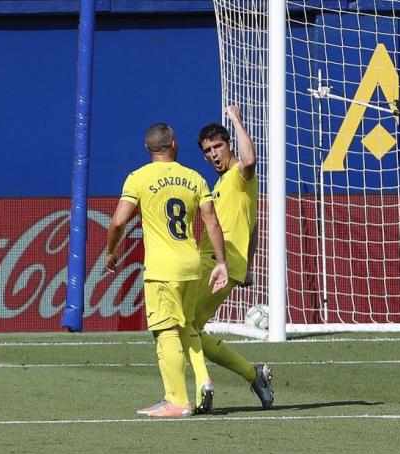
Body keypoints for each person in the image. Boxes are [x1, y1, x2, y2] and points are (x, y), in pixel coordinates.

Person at [106, 122, 228, 418]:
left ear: (148, 149)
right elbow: (211, 221)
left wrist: (111, 251)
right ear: (173, 142)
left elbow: (119, 220)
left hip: (162, 269)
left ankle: (177, 400)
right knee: (186, 326)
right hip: (191, 264)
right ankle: (203, 381)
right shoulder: (194, 177)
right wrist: (221, 262)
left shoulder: (139, 178)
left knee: (165, 331)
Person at [190, 105, 274, 412]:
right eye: (207, 150)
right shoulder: (221, 184)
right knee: (192, 329)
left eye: (218, 146)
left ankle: (203, 388)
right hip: (216, 262)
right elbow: (251, 230)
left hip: (217, 264)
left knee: (180, 326)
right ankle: (255, 376)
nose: (213, 154)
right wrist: (248, 267)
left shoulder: (240, 175)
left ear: (229, 145)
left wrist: (237, 120)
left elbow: (250, 160)